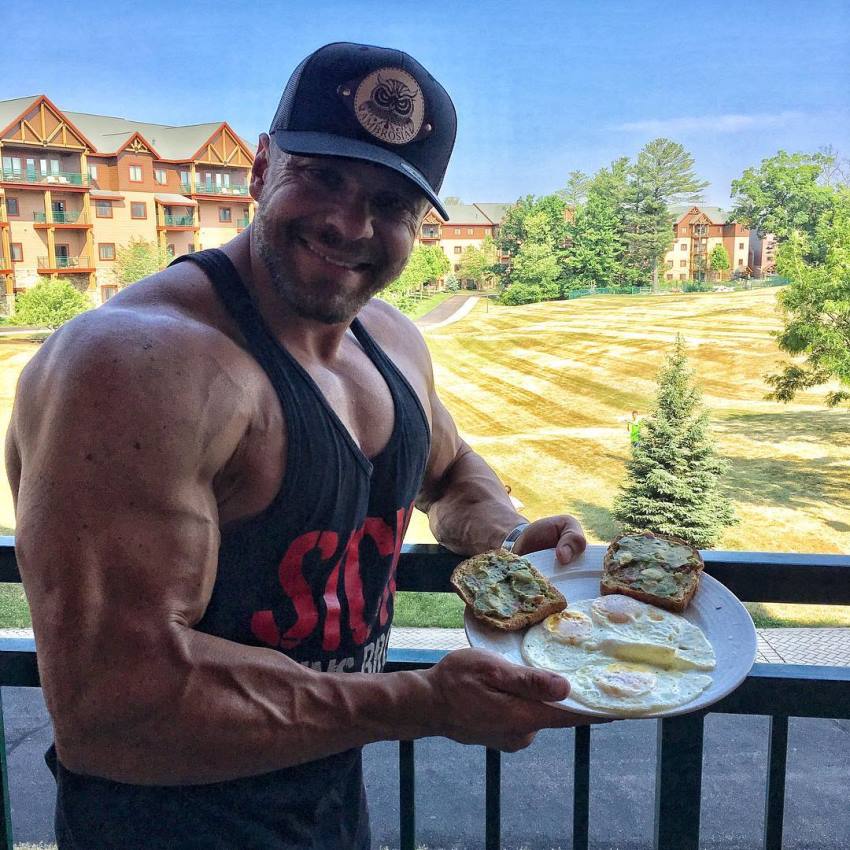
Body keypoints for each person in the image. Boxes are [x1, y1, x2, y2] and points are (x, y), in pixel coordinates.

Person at [6, 43, 591, 849]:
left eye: (390, 204)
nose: (349, 224)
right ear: (260, 168)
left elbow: (450, 471)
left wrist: (507, 540)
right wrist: (421, 703)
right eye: (321, 177)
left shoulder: (389, 339)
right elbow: (115, 705)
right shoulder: (134, 366)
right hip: (164, 826)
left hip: (326, 797)